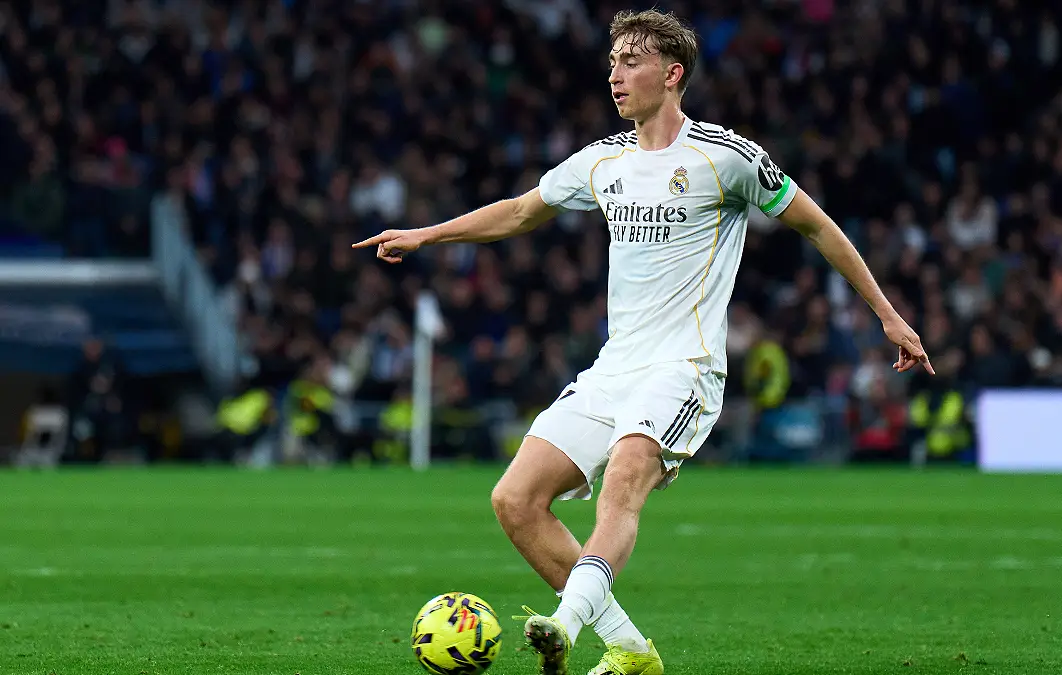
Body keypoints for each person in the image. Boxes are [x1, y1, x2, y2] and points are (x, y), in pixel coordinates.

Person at [354, 9, 935, 674]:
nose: (615, 75)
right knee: (514, 499)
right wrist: (427, 235)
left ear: (672, 73)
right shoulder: (604, 161)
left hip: (685, 369)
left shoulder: (728, 157)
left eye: (630, 62)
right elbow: (519, 211)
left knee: (624, 477)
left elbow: (819, 227)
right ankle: (632, 651)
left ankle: (565, 626)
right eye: (611, 63)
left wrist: (887, 314)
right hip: (614, 369)